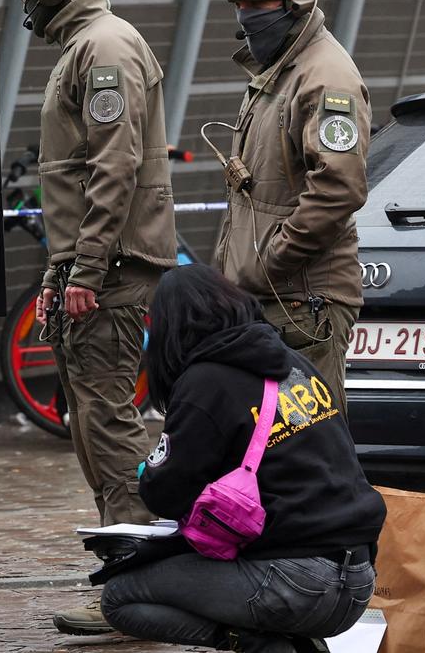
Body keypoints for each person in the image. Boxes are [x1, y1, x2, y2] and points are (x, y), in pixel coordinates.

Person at [15, 0, 178, 635]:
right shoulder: (89, 45)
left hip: (109, 272)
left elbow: (112, 169)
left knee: (108, 420)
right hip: (90, 267)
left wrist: (84, 269)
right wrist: (61, 271)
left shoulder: (104, 48)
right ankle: (131, 573)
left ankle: (140, 583)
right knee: (91, 419)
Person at [99, 264, 386, 652]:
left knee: (121, 596)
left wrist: (151, 468)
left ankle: (262, 645)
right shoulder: (292, 363)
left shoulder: (204, 383)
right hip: (359, 577)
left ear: (170, 329)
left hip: (299, 581)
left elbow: (163, 494)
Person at [212, 0, 370, 416]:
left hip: (302, 303)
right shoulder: (278, 71)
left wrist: (268, 262)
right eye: (237, 4)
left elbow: (338, 188)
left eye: (256, 2)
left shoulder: (326, 78)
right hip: (272, 301)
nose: (245, 15)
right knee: (273, 461)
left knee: (310, 456)